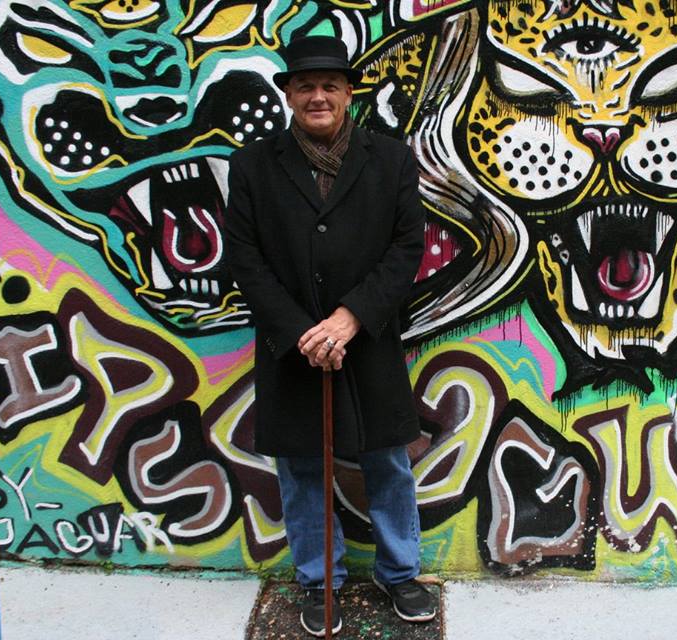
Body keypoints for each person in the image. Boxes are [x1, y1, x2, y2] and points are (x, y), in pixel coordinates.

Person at [224, 34, 435, 637]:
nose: (318, 96)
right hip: (291, 345)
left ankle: (400, 573)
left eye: (330, 86)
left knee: (386, 458)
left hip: (367, 338)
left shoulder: (390, 159)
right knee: (301, 465)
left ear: (348, 94)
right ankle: (319, 580)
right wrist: (301, 332)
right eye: (306, 86)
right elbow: (244, 257)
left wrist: (349, 318)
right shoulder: (253, 165)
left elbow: (406, 248)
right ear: (289, 95)